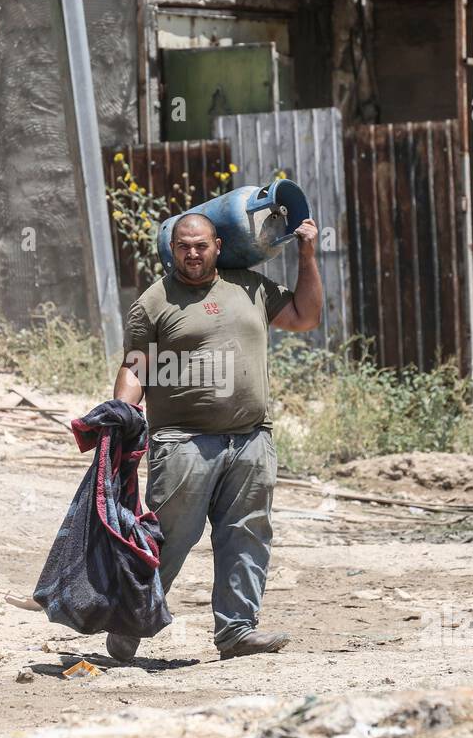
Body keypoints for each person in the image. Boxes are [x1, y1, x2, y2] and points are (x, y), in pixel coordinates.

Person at [111, 211, 321, 660]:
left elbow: (305, 317)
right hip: (182, 443)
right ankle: (130, 620)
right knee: (168, 538)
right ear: (173, 248)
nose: (192, 253)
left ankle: (237, 631)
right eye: (183, 246)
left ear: (218, 246)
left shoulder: (250, 286)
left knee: (247, 536)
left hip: (250, 439)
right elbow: (135, 366)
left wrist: (307, 252)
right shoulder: (153, 302)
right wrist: (121, 414)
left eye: (201, 245)